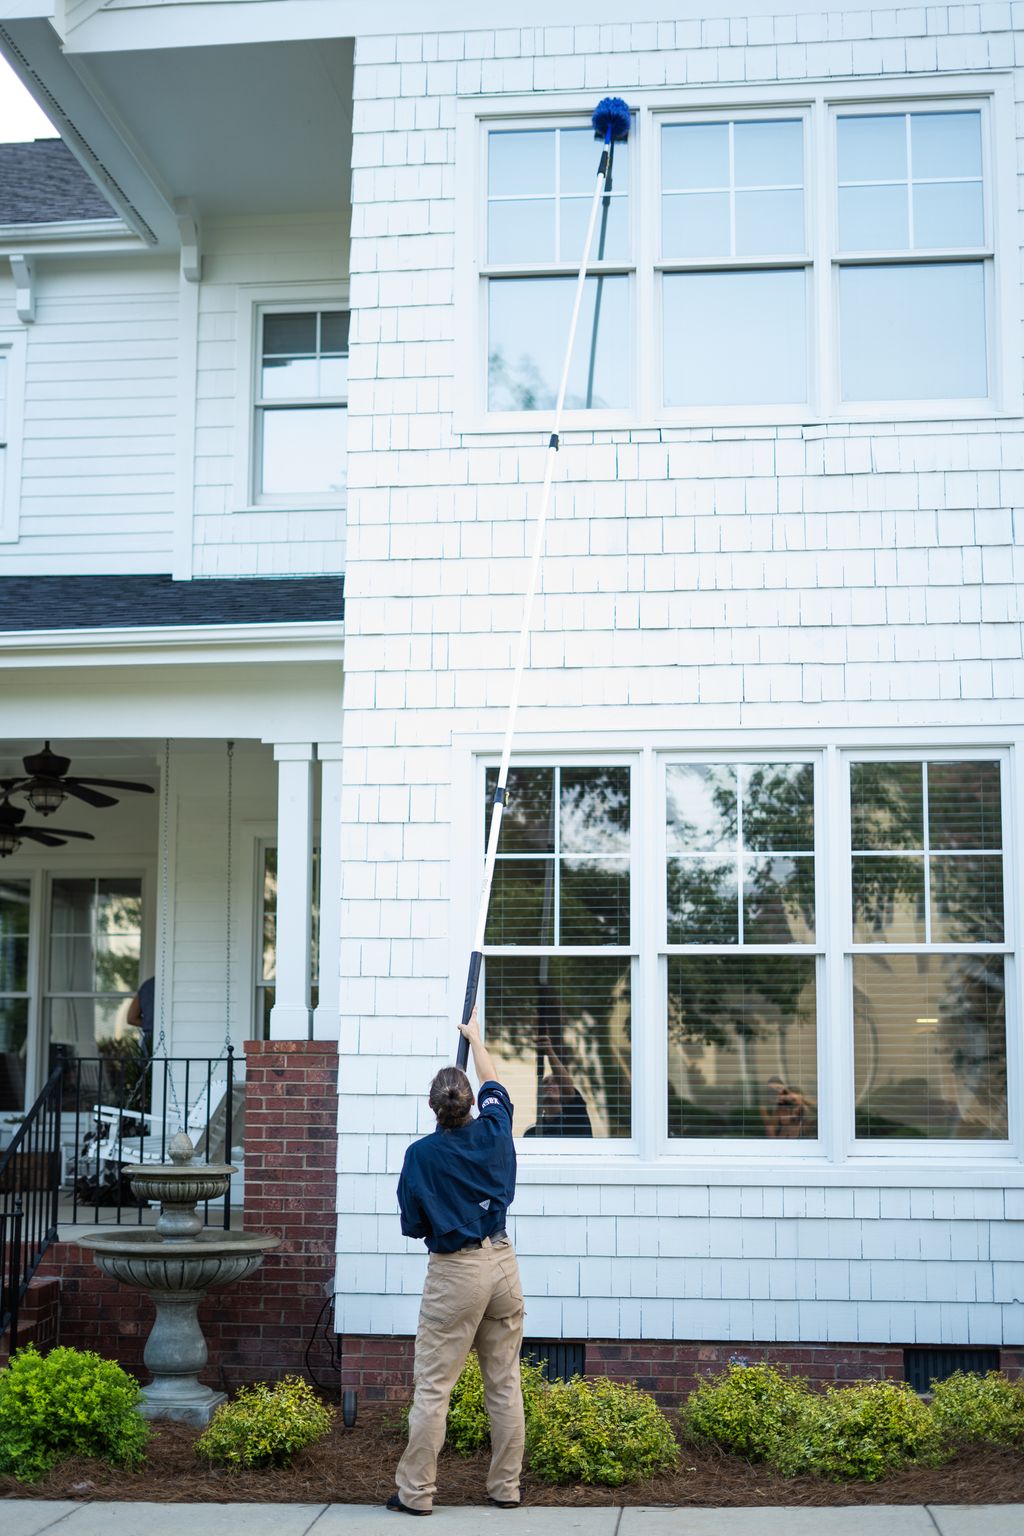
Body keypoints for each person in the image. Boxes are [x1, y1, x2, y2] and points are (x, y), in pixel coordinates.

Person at [389, 1006, 524, 1516]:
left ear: (433, 1107)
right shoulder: (494, 1130)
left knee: (434, 1389)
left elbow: (414, 1224)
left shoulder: (421, 1156)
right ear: (470, 1103)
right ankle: (506, 1488)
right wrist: (477, 1041)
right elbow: (494, 1084)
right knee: (504, 1382)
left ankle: (416, 1495)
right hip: (504, 1266)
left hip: (457, 1273)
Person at [523, 1031, 593, 1138]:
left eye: (556, 1082)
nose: (549, 1084)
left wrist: (549, 1051)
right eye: (545, 1082)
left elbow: (567, 1089)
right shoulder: (532, 1133)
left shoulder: (575, 1119)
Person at [126, 976, 155, 1054]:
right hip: (175, 1037)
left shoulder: (148, 985)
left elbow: (131, 1018)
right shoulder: (176, 983)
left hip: (150, 1040)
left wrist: (150, 1023)